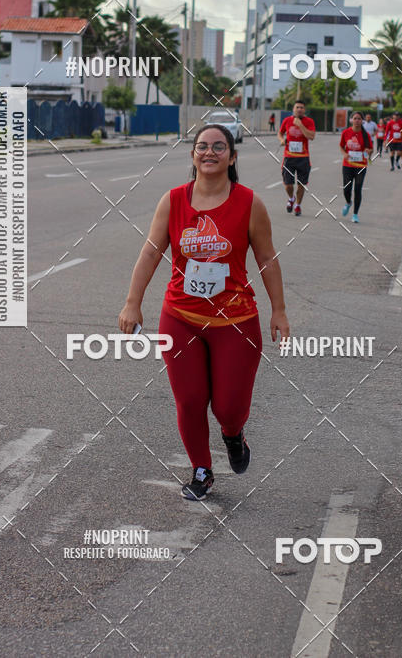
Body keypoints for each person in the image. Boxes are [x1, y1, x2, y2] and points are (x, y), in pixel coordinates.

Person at [118, 124, 290, 501]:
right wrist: (133, 301)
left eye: (218, 146)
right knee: (191, 400)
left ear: (232, 156)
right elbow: (150, 252)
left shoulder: (249, 204)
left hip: (236, 323)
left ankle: (233, 434)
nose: (209, 152)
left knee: (228, 407)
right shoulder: (174, 200)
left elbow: (266, 259)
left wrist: (278, 310)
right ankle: (201, 469)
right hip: (180, 317)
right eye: (201, 146)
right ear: (193, 155)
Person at [278, 100, 316, 217]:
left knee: (301, 185)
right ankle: (291, 198)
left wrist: (300, 125)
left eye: (301, 107)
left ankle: (298, 205)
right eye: (297, 107)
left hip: (303, 158)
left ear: (304, 110)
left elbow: (311, 136)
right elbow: (280, 133)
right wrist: (282, 140)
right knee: (288, 184)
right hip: (289, 157)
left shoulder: (309, 121)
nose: (299, 109)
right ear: (293, 109)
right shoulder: (287, 120)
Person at [339, 111, 373, 223]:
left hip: (361, 166)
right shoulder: (346, 132)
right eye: (355, 118)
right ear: (351, 120)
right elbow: (341, 146)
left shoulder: (366, 135)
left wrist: (368, 151)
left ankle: (355, 214)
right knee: (346, 189)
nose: (357, 120)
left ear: (362, 121)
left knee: (358, 189)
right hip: (348, 165)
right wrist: (344, 154)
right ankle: (348, 202)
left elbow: (370, 150)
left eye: (359, 119)